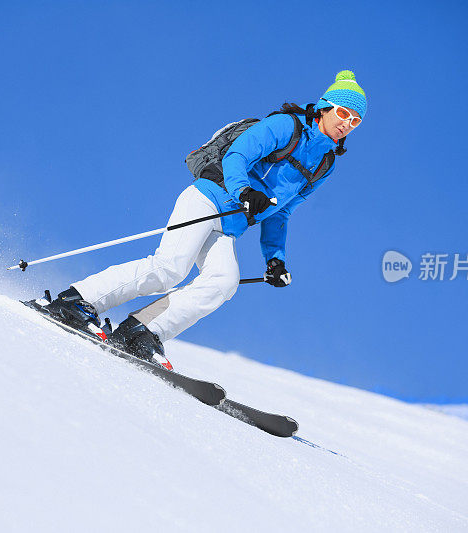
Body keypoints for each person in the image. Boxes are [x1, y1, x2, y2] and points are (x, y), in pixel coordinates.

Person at [42, 70, 367, 369]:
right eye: (343, 113)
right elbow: (239, 153)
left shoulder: (325, 163)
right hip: (207, 199)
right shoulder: (287, 125)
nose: (347, 123)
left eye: (355, 121)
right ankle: (77, 301)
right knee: (169, 267)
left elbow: (281, 213)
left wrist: (275, 260)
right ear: (325, 107)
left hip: (229, 226)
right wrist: (243, 191)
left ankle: (141, 332)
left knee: (223, 282)